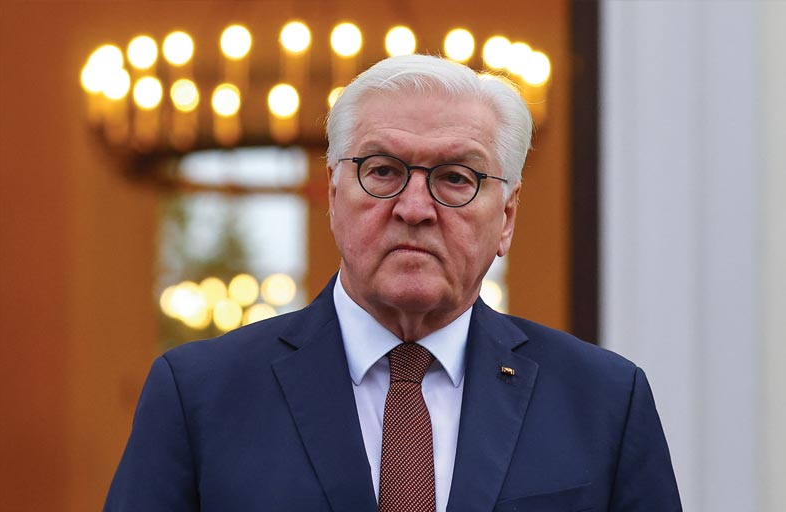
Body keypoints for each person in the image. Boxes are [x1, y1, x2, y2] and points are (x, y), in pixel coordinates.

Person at [105, 54, 681, 511]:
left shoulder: (604, 400)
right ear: (334, 196)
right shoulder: (199, 395)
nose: (415, 208)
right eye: (382, 170)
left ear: (506, 217)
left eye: (456, 177)